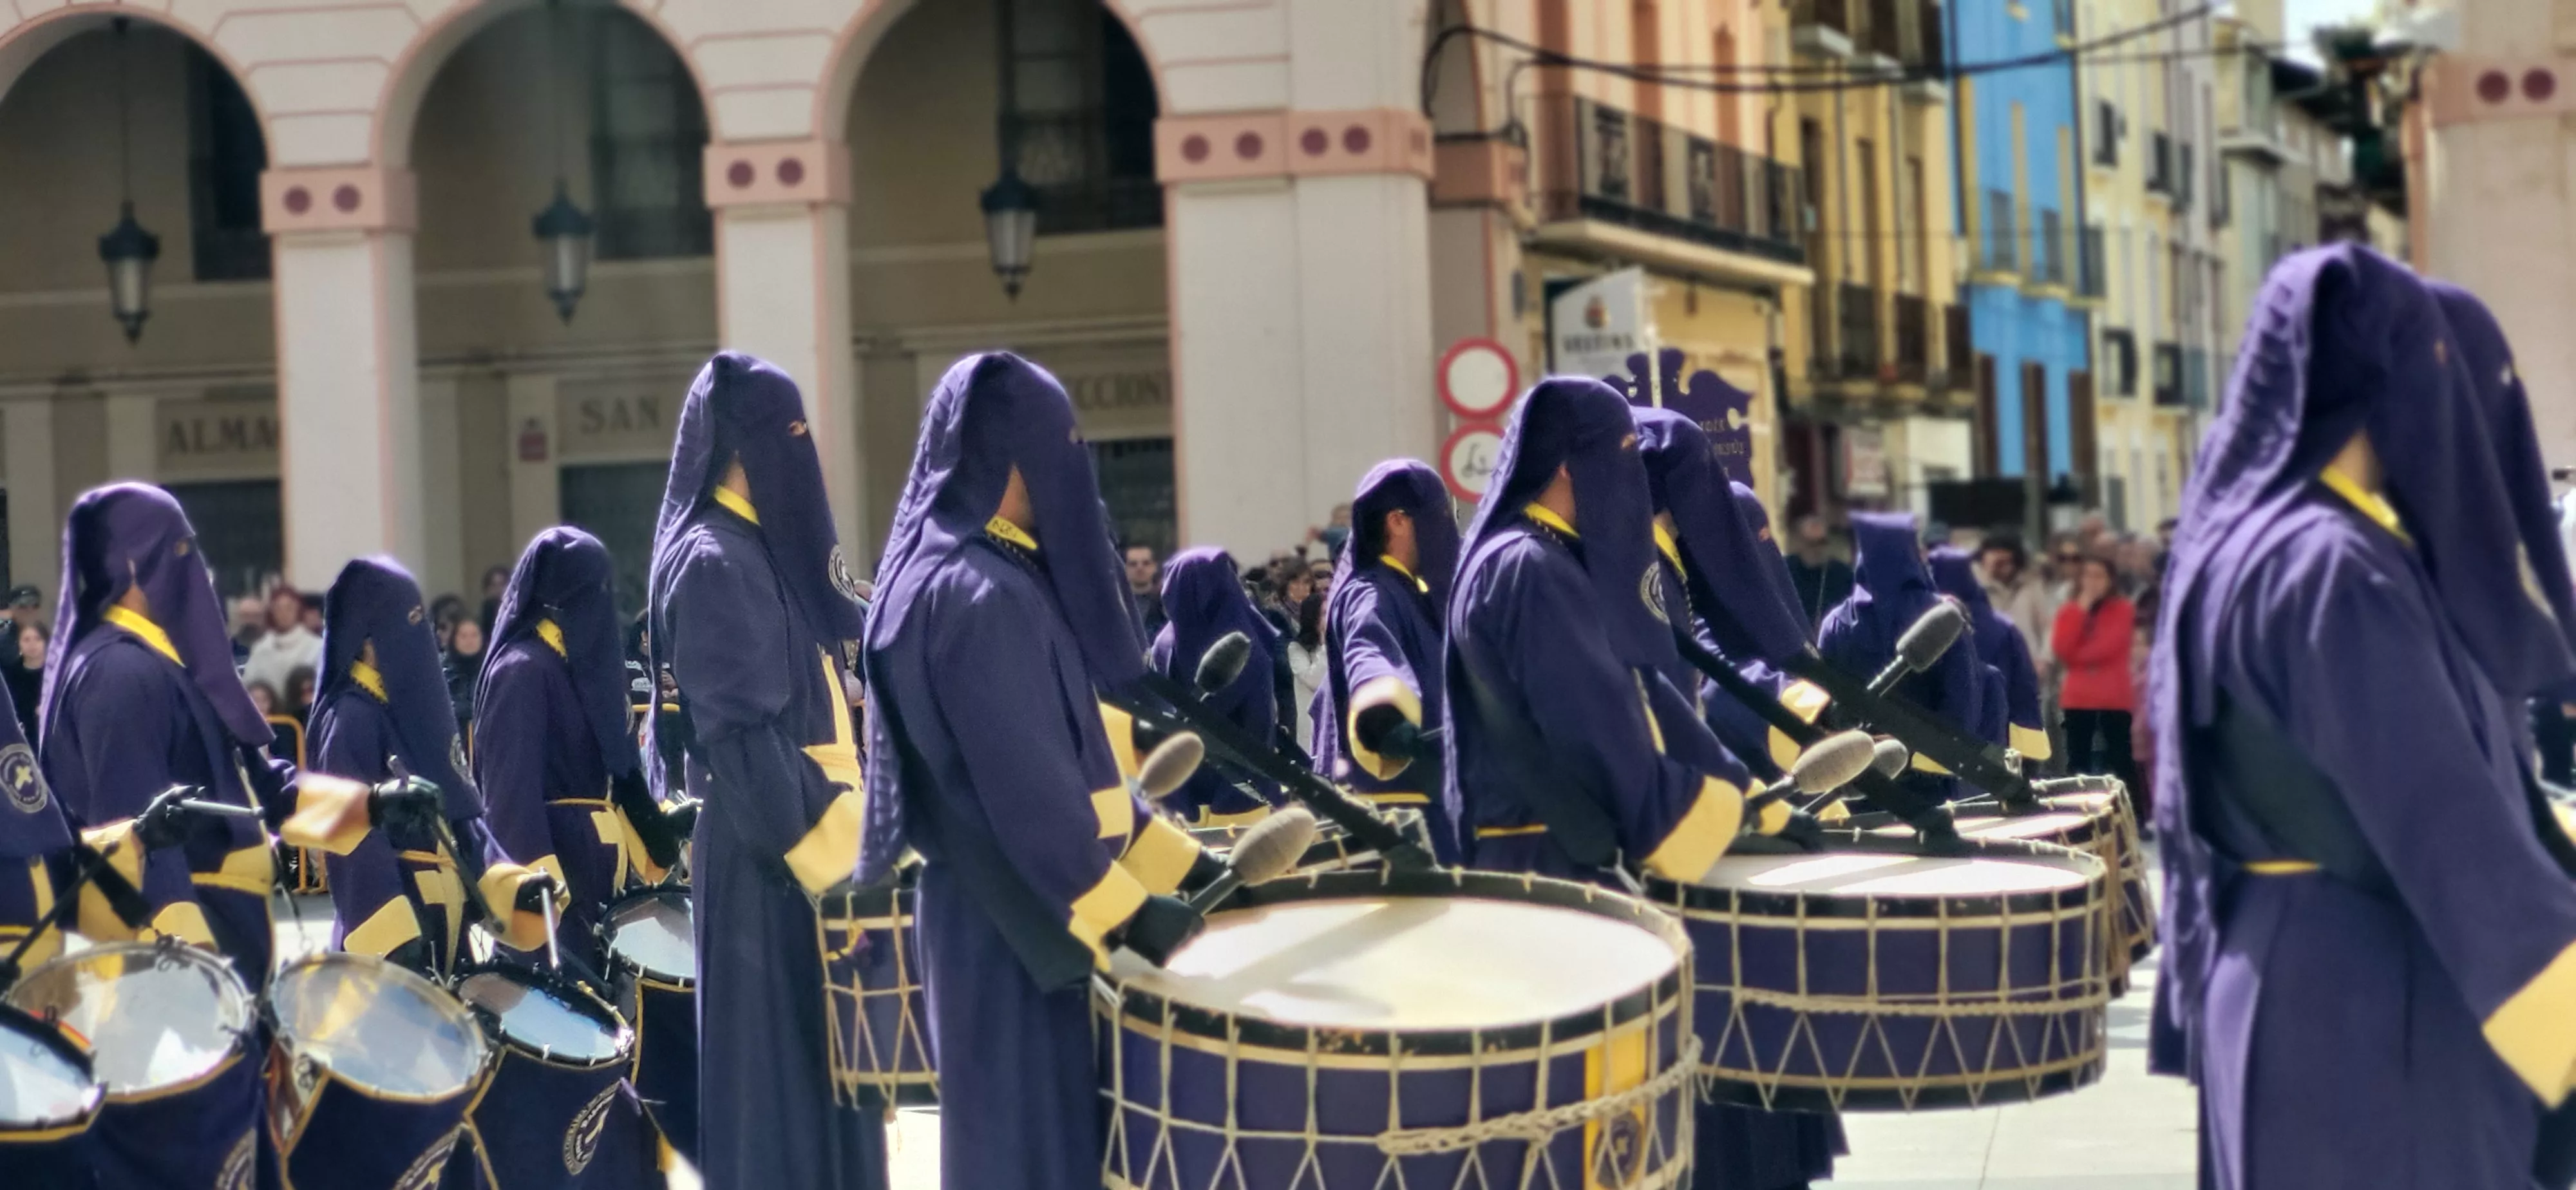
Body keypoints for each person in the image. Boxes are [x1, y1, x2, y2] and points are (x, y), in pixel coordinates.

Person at [2150, 246, 2576, 1189]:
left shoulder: (2251, 541)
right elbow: (2442, 821)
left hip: (2289, 970)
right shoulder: (2331, 564)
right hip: (2376, 1000)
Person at [860, 350, 1214, 1190]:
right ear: (1010, 453)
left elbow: (1072, 766)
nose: (1073, 464)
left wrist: (1189, 868)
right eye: (1062, 443)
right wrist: (1131, 913)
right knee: (1025, 1162)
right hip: (1015, 918)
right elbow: (1032, 795)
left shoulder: (976, 572)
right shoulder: (980, 590)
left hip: (1011, 910)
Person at [37, 483, 393, 1189]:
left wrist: (372, 808)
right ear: (134, 566)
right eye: (181, 550)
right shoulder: (119, 672)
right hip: (165, 983)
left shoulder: (172, 664)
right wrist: (199, 980)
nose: (197, 567)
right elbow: (139, 840)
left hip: (225, 956)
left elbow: (264, 793)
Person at [645, 352, 886, 1188]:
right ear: (742, 447)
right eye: (789, 433)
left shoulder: (755, 552)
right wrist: (832, 869)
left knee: (828, 1096)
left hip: (802, 851)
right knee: (776, 1103)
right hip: (772, 861)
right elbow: (743, 742)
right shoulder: (715, 560)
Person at [1631, 406, 1846, 1189]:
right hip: (1671, 832)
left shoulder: (1662, 564)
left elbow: (1725, 653)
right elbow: (1683, 687)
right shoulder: (1628, 568)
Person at [1445, 375, 1769, 889]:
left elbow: (1635, 687)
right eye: (1622, 452)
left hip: (1543, 846)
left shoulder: (1533, 555)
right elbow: (1593, 718)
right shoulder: (1531, 565)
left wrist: (1735, 788)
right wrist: (1686, 808)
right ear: (1569, 467)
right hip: (1547, 858)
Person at [471, 526, 677, 1183]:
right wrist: (540, 904)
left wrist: (660, 830)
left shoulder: (576, 669)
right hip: (555, 905)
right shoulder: (522, 671)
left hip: (600, 891)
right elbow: (510, 800)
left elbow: (615, 777)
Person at [308, 556, 553, 972]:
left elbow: (461, 825)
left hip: (446, 924)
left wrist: (513, 887)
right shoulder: (352, 717)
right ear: (369, 641)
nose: (420, 632)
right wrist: (394, 935)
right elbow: (350, 841)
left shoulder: (413, 719)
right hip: (398, 938)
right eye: (409, 619)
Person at [1311, 460, 1463, 861]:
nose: (1448, 528)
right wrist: (1385, 716)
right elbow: (1370, 651)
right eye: (1440, 515)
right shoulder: (1371, 591)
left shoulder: (1411, 590)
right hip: (1399, 808)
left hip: (1432, 796)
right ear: (1398, 522)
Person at [1819, 511, 1987, 802]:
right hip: (1931, 779)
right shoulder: (1941, 616)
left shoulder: (1836, 622)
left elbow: (1823, 700)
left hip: (1863, 777)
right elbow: (1964, 697)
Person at [1151, 547, 1282, 824]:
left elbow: (1159, 725)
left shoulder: (1164, 644)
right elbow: (1260, 725)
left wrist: (1176, 796)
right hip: (1242, 799)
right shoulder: (1246, 642)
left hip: (1181, 797)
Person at [1931, 545, 2051, 764]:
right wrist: (2030, 751)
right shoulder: (2003, 627)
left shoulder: (1929, 629)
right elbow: (2024, 688)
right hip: (1998, 738)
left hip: (1942, 744)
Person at [2052, 552, 2136, 802]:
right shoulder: (2070, 610)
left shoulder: (2122, 609)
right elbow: (2062, 649)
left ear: (2111, 580)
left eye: (2099, 576)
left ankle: (2131, 812)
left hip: (2113, 695)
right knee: (2079, 759)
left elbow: (2110, 646)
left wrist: (2079, 654)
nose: (2093, 582)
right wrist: (2081, 611)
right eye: (2088, 576)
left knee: (2119, 757)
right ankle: (2078, 808)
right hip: (2078, 697)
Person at [1976, 532, 2056, 670]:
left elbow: (2049, 626)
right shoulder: (1976, 588)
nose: (2003, 567)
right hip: (1990, 669)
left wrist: (2044, 659)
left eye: (2007, 561)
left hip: (2028, 667)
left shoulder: (2032, 585)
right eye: (1998, 561)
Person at [242, 583, 320, 695]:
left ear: (298, 610)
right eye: (278, 608)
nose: (284, 614)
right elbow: (249, 684)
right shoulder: (261, 648)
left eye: (289, 608)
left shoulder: (315, 647)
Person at [1784, 513, 1854, 630]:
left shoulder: (1843, 575)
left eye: (1822, 542)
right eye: (1812, 544)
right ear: (1801, 543)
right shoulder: (1785, 570)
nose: (1818, 549)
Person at [1283, 591, 1325, 748]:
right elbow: (1315, 680)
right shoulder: (1296, 649)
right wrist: (1325, 646)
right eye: (1324, 614)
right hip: (1312, 732)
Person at [445, 614, 486, 734]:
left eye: (474, 635)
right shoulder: (444, 672)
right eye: (464, 636)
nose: (470, 641)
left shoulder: (491, 670)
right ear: (454, 638)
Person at [1123, 543, 1166, 636]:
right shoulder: (1119, 605)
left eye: (1146, 563)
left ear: (1154, 567)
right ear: (1125, 568)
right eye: (1133, 564)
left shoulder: (1166, 603)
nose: (1140, 568)